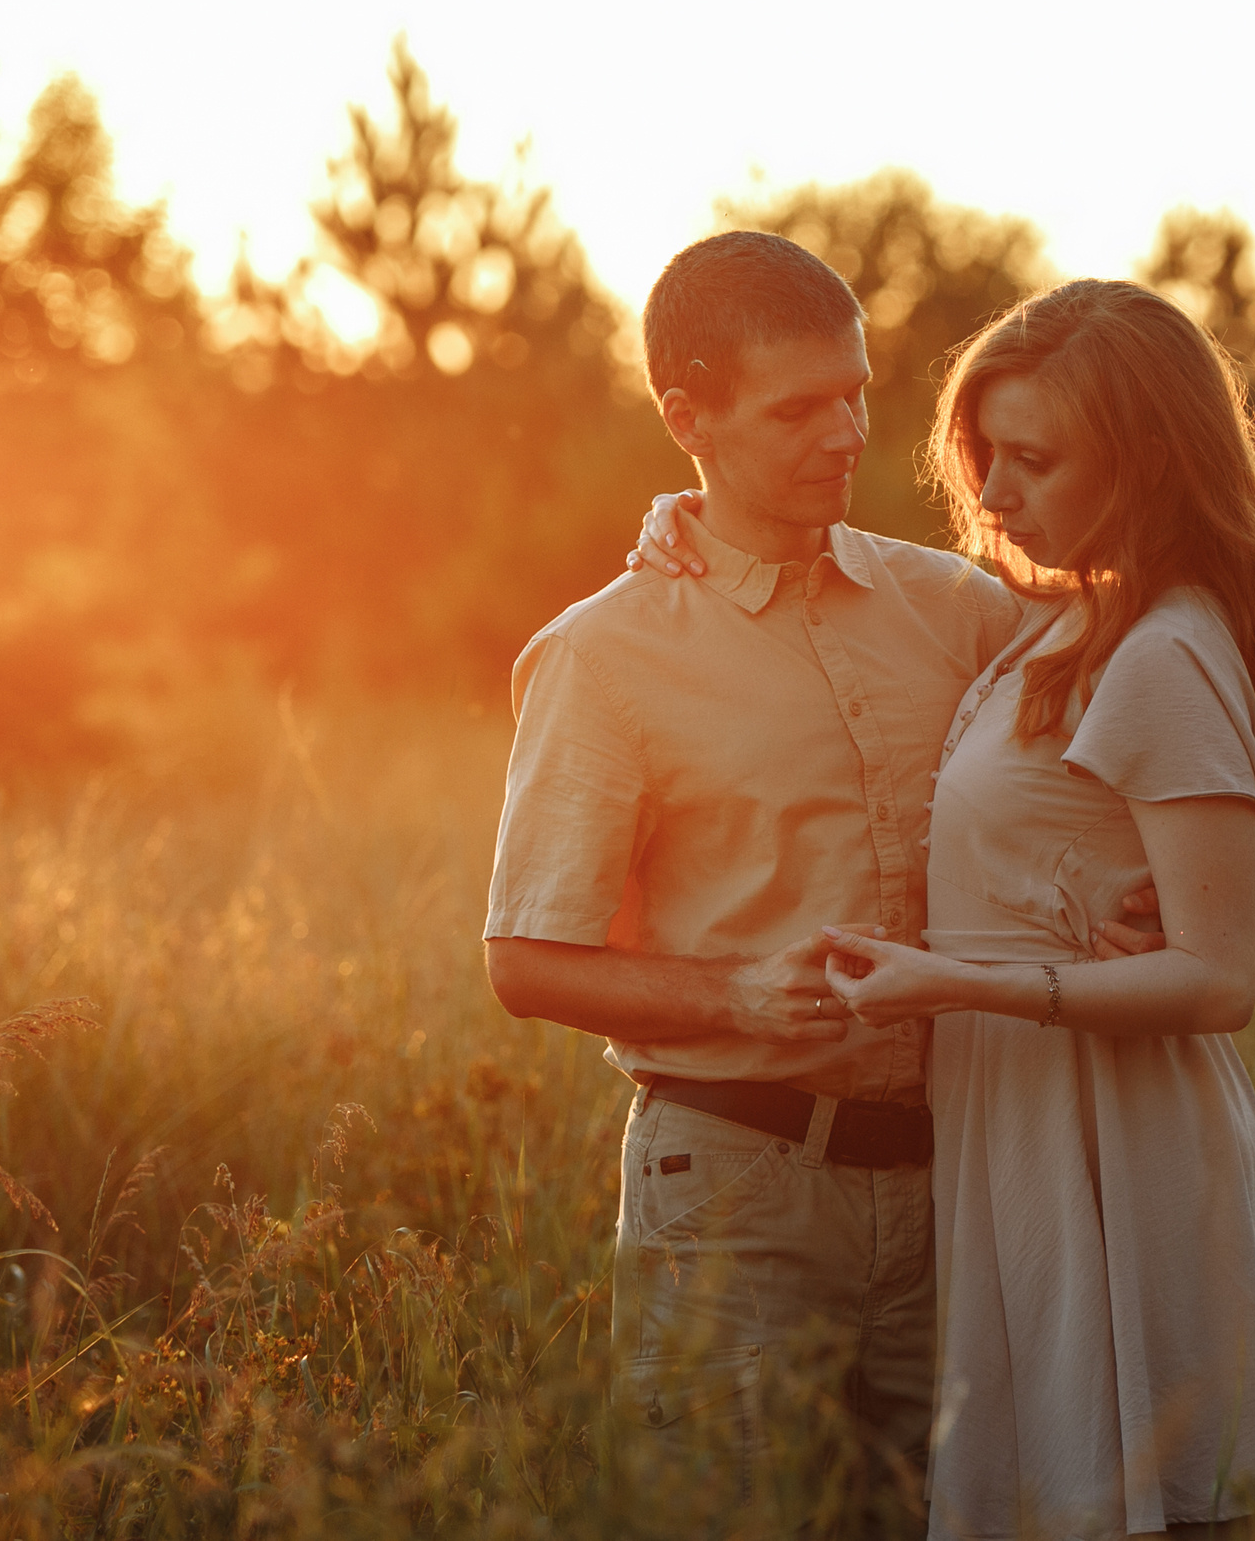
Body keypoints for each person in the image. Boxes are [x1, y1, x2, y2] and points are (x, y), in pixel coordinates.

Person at [482, 231, 1159, 1531]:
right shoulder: (602, 657)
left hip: (955, 1175)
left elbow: (1128, 710)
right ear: (690, 417)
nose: (846, 430)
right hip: (735, 1188)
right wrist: (738, 991)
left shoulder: (953, 607)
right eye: (798, 407)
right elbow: (524, 961)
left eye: (853, 390)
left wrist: (1128, 891)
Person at [644, 278, 1255, 1538]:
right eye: (986, 454)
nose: (996, 493)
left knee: (1121, 1499)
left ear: (1146, 460)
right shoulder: (1063, 620)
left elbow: (1220, 981)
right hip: (1018, 1119)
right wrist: (685, 519)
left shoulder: (1166, 649)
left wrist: (949, 980)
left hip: (1112, 1132)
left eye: (1033, 458)